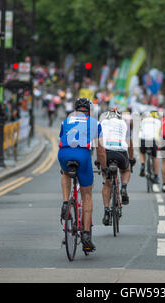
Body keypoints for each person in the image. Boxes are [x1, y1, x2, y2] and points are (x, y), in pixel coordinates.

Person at [58, 98, 107, 252]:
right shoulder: (94, 123)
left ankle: (66, 202)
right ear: (89, 110)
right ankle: (86, 235)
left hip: (64, 153)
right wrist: (103, 167)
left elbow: (62, 138)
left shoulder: (66, 120)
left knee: (65, 173)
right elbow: (100, 150)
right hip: (82, 155)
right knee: (87, 196)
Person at [100, 108, 136, 226]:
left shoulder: (102, 123)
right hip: (121, 152)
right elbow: (130, 145)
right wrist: (131, 159)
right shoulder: (124, 123)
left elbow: (98, 146)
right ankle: (124, 187)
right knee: (125, 170)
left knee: (107, 182)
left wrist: (98, 161)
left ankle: (106, 211)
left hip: (107, 152)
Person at [139, 110, 162, 192]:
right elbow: (160, 134)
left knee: (141, 152)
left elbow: (140, 130)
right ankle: (156, 176)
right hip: (153, 140)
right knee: (155, 157)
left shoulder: (144, 120)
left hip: (143, 139)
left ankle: (142, 165)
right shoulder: (158, 122)